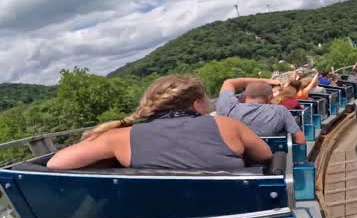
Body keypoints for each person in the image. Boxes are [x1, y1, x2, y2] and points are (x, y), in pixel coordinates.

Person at [47, 75, 272, 171]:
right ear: (196, 105)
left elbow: (55, 164)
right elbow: (265, 156)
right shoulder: (227, 125)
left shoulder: (118, 137)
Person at [217, 77, 306, 144]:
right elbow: (300, 140)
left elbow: (229, 82)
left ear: (245, 96)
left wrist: (265, 80)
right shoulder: (280, 111)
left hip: (234, 161)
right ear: (269, 98)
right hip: (271, 162)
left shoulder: (229, 108)